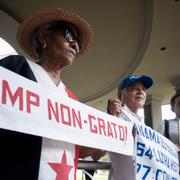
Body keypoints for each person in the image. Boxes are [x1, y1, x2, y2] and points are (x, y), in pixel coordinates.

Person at [0, 7, 100, 180]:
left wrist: (113, 137)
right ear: (43, 37)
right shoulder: (16, 68)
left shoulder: (72, 99)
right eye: (69, 36)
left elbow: (75, 149)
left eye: (77, 42)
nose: (75, 45)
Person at [107, 75, 153, 180]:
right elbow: (96, 154)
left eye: (143, 89)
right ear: (120, 95)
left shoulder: (147, 129)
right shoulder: (113, 117)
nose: (141, 92)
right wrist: (109, 117)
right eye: (134, 89)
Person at [157, 93, 180, 171]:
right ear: (172, 109)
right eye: (179, 104)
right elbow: (157, 146)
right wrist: (170, 147)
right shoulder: (165, 124)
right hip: (174, 168)